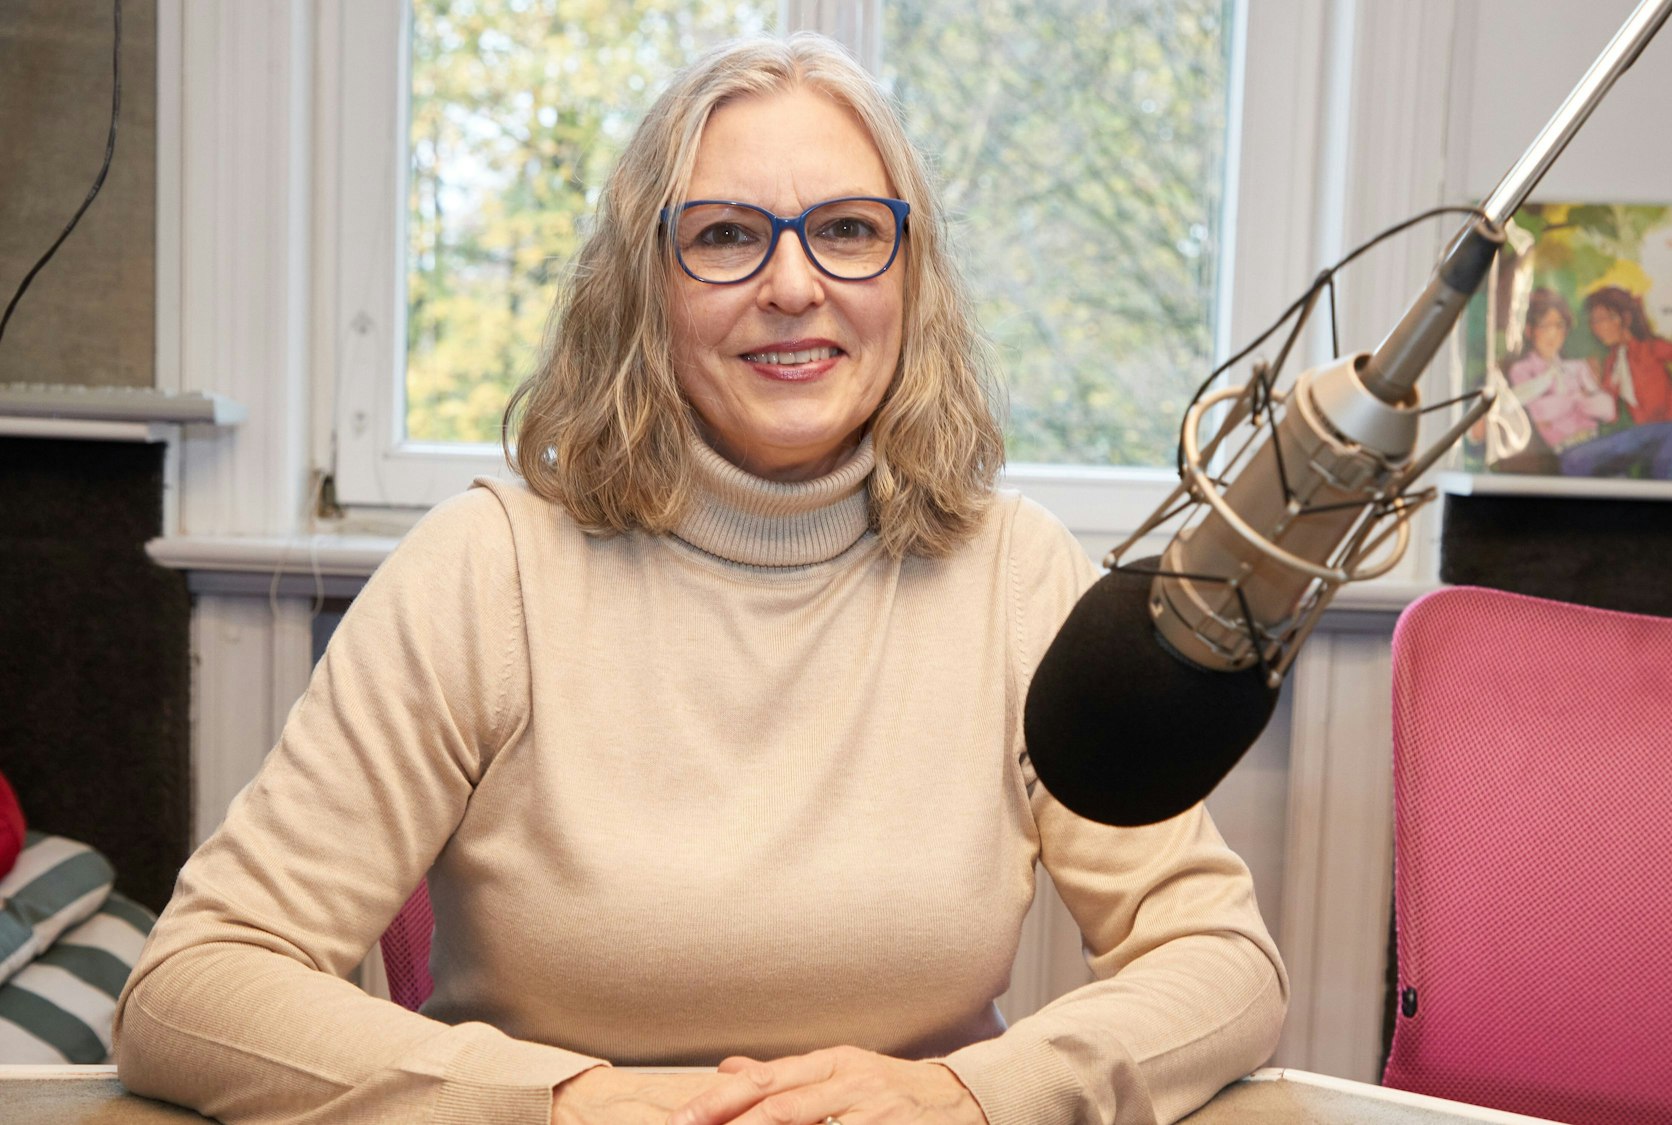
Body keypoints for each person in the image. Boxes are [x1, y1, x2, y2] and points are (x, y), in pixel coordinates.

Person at [112, 34, 1286, 1125]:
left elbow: (1219, 964)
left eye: (846, 229)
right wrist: (560, 1103)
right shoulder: (488, 571)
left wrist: (973, 1097)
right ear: (641, 287)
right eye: (725, 235)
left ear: (909, 276)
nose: (791, 284)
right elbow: (193, 988)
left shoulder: (1017, 577)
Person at [1502, 288, 1672, 479]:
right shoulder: (1523, 370)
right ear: (1530, 331)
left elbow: (1607, 410)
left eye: (1559, 326)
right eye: (1544, 326)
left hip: (1598, 449)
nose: (1553, 334)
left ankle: (1659, 496)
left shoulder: (1577, 367)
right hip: (1570, 455)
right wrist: (1579, 398)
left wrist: (1565, 400)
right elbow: (1540, 412)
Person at [1582, 286, 1672, 435]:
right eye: (1593, 321)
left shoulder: (1651, 348)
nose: (1596, 328)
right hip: (1648, 440)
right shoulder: (1613, 362)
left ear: (1626, 319)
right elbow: (1612, 415)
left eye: (1601, 319)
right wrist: (1595, 384)